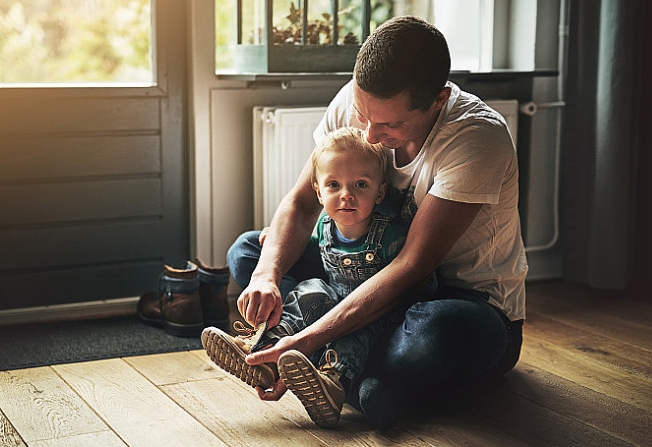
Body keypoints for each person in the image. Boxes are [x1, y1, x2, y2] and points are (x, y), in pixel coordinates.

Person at [225, 15, 528, 428]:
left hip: (454, 301)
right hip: (355, 274)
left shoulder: (477, 137)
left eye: (390, 124)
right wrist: (266, 276)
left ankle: (319, 358)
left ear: (439, 100)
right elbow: (301, 203)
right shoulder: (357, 99)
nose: (368, 133)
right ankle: (356, 377)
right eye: (362, 113)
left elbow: (411, 267)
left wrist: (313, 336)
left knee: (434, 333)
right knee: (249, 251)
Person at [202, 127, 433, 427]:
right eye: (334, 185)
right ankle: (265, 352)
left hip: (378, 311)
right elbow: (317, 249)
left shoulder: (391, 234)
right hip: (335, 297)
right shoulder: (325, 224)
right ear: (318, 190)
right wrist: (276, 240)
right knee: (310, 290)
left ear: (380, 192)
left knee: (356, 333)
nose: (346, 194)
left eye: (361, 185)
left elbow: (416, 279)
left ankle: (332, 381)